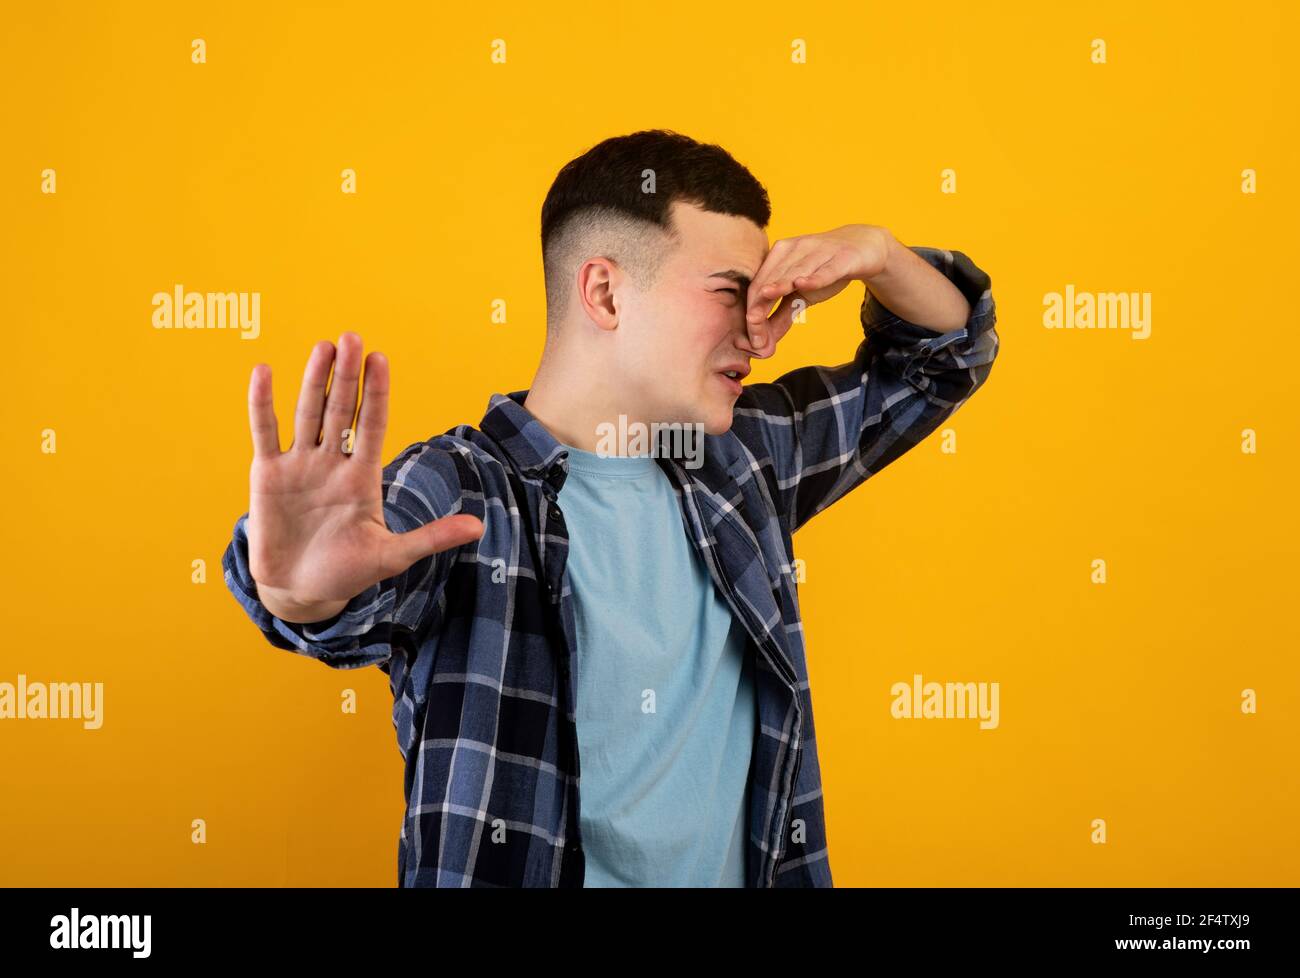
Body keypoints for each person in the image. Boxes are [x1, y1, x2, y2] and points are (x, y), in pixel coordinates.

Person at [221, 128, 1001, 887]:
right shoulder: (461, 487)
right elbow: (339, 592)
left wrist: (882, 255)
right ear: (603, 292)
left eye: (771, 300)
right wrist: (295, 591)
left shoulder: (741, 460)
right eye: (733, 292)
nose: (763, 338)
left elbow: (941, 360)